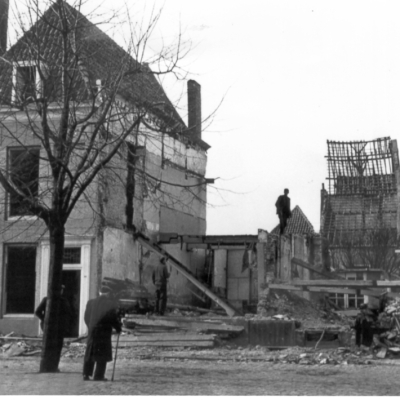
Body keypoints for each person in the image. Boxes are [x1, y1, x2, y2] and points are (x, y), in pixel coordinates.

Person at [82, 283, 122, 382]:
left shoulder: (90, 302)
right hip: (104, 332)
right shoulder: (110, 304)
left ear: (99, 293)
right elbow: (112, 318)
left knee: (90, 352)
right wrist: (118, 328)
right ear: (107, 294)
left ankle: (86, 374)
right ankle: (98, 375)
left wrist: (91, 327)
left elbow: (86, 317)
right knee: (102, 353)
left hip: (92, 331)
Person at [34, 285, 72, 368]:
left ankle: (54, 366)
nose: (60, 292)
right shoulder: (47, 300)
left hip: (59, 327)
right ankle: (48, 365)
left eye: (61, 290)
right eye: (59, 290)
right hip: (49, 327)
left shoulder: (63, 301)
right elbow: (37, 312)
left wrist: (65, 325)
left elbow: (68, 314)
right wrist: (45, 320)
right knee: (50, 346)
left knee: (57, 347)